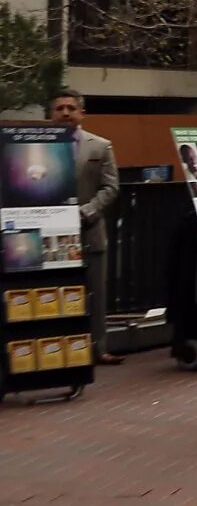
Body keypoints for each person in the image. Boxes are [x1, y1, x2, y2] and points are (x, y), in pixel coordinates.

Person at [49, 90, 122, 365]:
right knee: (54, 293)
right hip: (49, 235)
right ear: (51, 114)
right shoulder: (36, 145)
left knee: (96, 293)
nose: (65, 113)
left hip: (89, 229)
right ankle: (57, 348)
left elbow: (111, 186)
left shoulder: (100, 146)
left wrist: (88, 211)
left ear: (82, 113)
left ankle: (98, 348)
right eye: (59, 108)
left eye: (71, 108)